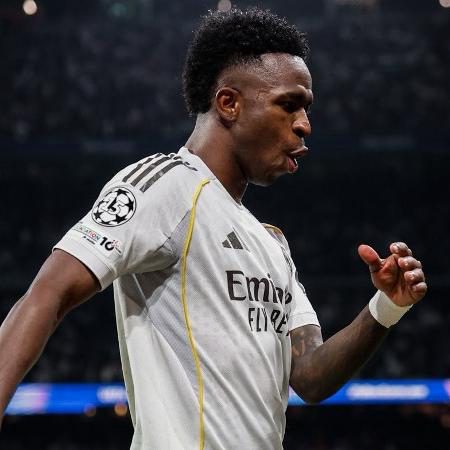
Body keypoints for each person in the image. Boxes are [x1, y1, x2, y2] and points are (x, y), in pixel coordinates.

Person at [0, 7, 427, 450]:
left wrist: (386, 308)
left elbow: (309, 377)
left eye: (306, 108)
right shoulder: (166, 186)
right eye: (288, 104)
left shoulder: (271, 242)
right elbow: (47, 294)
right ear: (229, 103)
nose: (305, 124)